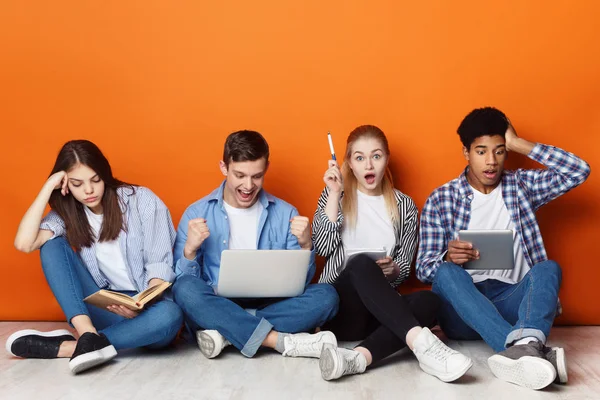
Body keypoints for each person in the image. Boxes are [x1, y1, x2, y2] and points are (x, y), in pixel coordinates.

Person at [416, 107, 591, 390]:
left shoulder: (521, 185)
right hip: (464, 312)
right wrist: (447, 257)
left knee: (549, 268)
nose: (491, 161)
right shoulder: (441, 198)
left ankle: (520, 348)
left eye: (499, 151)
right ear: (466, 153)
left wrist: (520, 143)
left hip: (512, 304)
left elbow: (579, 171)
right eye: (481, 151)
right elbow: (423, 269)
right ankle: (524, 349)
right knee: (446, 272)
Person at [7, 140, 183, 374]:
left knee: (170, 315)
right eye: (78, 184)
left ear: (105, 175)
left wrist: (142, 303)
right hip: (104, 308)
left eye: (95, 180)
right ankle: (87, 333)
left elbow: (160, 264)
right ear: (66, 184)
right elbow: (25, 243)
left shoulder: (142, 200)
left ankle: (72, 347)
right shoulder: (68, 213)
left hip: (147, 312)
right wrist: (48, 187)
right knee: (51, 244)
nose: (88, 191)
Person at [312, 125, 472, 381]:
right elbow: (322, 246)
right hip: (342, 309)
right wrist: (333, 193)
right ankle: (423, 344)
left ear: (386, 159)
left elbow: (404, 269)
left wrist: (394, 270)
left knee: (431, 302)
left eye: (376, 156)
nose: (369, 165)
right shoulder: (335, 196)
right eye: (359, 158)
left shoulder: (405, 205)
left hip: (380, 313)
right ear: (349, 163)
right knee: (362, 263)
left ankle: (358, 358)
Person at [172, 130, 339, 359]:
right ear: (224, 168)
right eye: (239, 175)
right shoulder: (197, 213)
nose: (248, 185)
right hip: (217, 301)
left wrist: (306, 245)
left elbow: (301, 282)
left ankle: (227, 333)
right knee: (184, 290)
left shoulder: (285, 213)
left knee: (327, 296)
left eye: (256, 176)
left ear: (266, 168)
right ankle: (275, 340)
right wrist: (190, 251)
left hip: (270, 304)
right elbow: (183, 281)